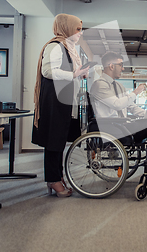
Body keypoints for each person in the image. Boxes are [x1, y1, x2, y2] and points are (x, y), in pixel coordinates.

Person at [89, 51, 147, 184]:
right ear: (111, 66)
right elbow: (118, 105)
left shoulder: (118, 85)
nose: (123, 68)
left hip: (122, 126)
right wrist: (136, 92)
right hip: (111, 129)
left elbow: (131, 107)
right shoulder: (99, 85)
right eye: (120, 65)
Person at [32, 14, 89, 197]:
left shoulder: (68, 47)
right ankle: (53, 180)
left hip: (61, 100)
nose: (80, 32)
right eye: (77, 29)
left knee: (58, 141)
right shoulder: (55, 46)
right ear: (66, 28)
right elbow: (48, 71)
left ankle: (56, 177)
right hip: (54, 100)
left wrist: (79, 73)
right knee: (53, 141)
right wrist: (74, 74)